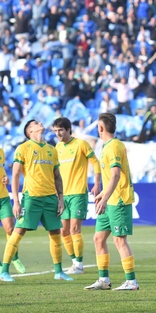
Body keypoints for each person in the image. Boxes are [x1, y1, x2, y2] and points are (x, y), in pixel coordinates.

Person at [0, 120, 73, 282]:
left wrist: (60, 199)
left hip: (50, 199)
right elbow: (16, 174)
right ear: (30, 131)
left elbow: (57, 177)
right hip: (31, 198)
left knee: (55, 233)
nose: (40, 122)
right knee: (18, 231)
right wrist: (17, 202)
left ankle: (59, 271)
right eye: (35, 122)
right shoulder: (23, 148)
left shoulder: (51, 150)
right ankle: (4, 271)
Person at [84, 113, 139, 291]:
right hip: (108, 201)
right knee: (98, 239)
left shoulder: (114, 146)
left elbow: (115, 174)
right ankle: (104, 280)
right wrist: (102, 195)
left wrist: (105, 197)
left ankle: (131, 281)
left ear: (101, 128)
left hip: (118, 200)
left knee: (119, 240)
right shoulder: (108, 146)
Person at [52, 117, 101, 274]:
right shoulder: (57, 148)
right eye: (55, 131)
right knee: (64, 231)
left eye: (60, 130)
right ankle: (74, 262)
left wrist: (97, 184)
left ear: (68, 130)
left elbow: (95, 162)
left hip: (79, 193)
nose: (58, 133)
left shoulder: (81, 144)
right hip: (62, 195)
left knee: (74, 229)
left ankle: (79, 265)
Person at [0, 148, 26, 274]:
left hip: (3, 197)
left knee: (10, 229)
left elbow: (2, 169)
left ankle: (15, 257)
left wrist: (5, 178)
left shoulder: (1, 151)